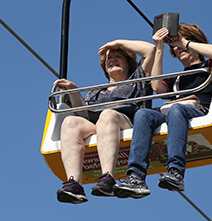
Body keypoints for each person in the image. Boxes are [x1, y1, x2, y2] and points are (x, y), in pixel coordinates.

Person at [114, 23, 212, 198]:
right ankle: (136, 177)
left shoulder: (210, 66)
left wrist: (183, 41)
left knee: (176, 110)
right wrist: (159, 48)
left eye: (181, 46)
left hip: (198, 111)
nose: (178, 50)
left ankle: (176, 171)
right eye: (174, 49)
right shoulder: (178, 78)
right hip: (175, 113)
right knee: (143, 114)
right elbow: (157, 86)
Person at [54, 38, 156, 204]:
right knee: (70, 122)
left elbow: (150, 50)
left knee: (108, 115)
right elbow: (83, 115)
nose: (112, 60)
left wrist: (117, 43)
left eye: (118, 56)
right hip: (100, 125)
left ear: (128, 62)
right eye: (109, 58)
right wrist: (73, 91)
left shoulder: (137, 79)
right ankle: (74, 183)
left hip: (125, 122)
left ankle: (108, 177)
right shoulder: (96, 92)